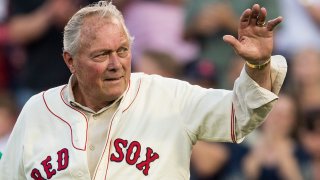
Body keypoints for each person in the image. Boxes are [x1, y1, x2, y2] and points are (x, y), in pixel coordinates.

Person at [0, 1, 287, 179]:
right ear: (70, 61)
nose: (116, 64)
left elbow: (242, 113)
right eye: (101, 55)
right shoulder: (38, 110)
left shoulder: (168, 96)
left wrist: (259, 65)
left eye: (123, 50)